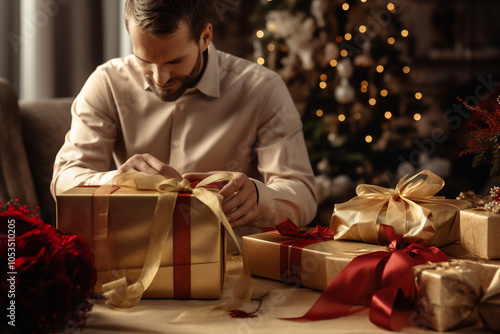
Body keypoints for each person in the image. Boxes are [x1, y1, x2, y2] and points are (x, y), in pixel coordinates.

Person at [51, 0, 317, 232]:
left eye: (175, 61)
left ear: (205, 37)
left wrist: (259, 199)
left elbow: (303, 196)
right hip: (131, 263)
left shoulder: (263, 90)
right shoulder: (107, 83)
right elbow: (64, 181)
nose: (160, 78)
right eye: (144, 60)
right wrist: (116, 181)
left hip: (232, 264)